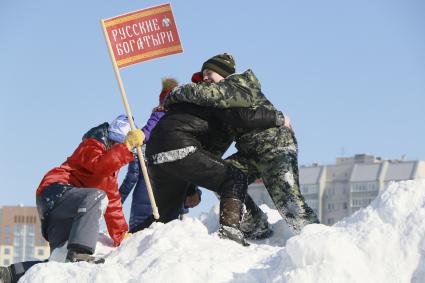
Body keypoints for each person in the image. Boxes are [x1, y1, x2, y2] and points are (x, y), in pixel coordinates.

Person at [164, 53, 319, 237]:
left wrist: (176, 93)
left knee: (289, 202)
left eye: (209, 72)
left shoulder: (238, 83)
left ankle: (317, 240)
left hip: (274, 146)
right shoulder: (222, 107)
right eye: (203, 73)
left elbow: (212, 95)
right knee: (223, 178)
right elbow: (216, 150)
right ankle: (255, 225)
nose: (205, 77)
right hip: (249, 153)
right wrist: (196, 178)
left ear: (223, 73)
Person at [0, 115, 145, 283]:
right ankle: (79, 254)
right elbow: (99, 167)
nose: (116, 149)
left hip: (71, 209)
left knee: (58, 263)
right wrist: (125, 147)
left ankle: (10, 274)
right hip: (57, 191)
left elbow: (113, 204)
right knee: (97, 197)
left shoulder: (109, 173)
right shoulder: (92, 144)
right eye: (116, 144)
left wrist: (121, 235)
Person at [144, 75, 282, 246]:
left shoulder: (189, 98)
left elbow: (193, 161)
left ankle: (137, 246)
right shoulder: (216, 96)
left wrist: (189, 191)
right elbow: (243, 117)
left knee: (165, 218)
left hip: (155, 152)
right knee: (234, 177)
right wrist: (278, 118)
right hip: (179, 144)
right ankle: (230, 234)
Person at [119, 78, 202, 232]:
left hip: (151, 196)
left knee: (145, 241)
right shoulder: (174, 120)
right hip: (157, 197)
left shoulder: (163, 120)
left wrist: (115, 203)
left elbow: (131, 178)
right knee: (163, 239)